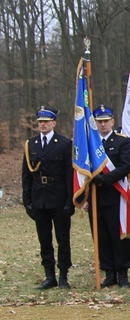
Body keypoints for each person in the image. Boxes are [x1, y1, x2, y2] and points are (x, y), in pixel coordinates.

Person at [22, 106, 75, 289]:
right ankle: (49, 275)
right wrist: (27, 200)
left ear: (54, 123)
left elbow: (69, 175)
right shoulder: (31, 144)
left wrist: (70, 201)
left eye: (46, 121)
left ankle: (63, 276)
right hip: (39, 198)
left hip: (59, 197)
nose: (43, 125)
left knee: (62, 238)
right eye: (40, 122)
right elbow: (26, 175)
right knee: (44, 239)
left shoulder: (64, 144)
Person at [87, 105, 130, 288]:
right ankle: (109, 273)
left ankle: (122, 273)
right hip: (96, 197)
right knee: (101, 236)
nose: (103, 125)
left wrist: (104, 179)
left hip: (116, 195)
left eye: (106, 121)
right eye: (99, 122)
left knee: (119, 236)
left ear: (113, 122)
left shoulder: (122, 141)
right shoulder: (90, 143)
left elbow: (125, 166)